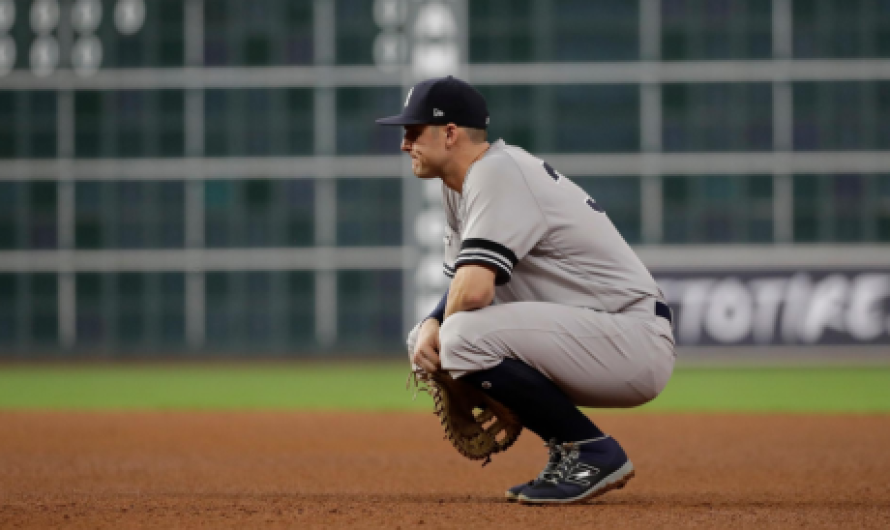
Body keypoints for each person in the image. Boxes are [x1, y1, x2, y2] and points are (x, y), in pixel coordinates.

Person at [376, 76, 676, 505]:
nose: (405, 143)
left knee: (460, 337)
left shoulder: (498, 172)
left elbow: (475, 292)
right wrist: (429, 324)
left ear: (449, 133)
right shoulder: (459, 186)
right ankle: (571, 451)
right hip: (592, 333)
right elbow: (465, 281)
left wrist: (445, 337)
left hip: (632, 337)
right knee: (433, 336)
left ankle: (591, 449)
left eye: (413, 131)